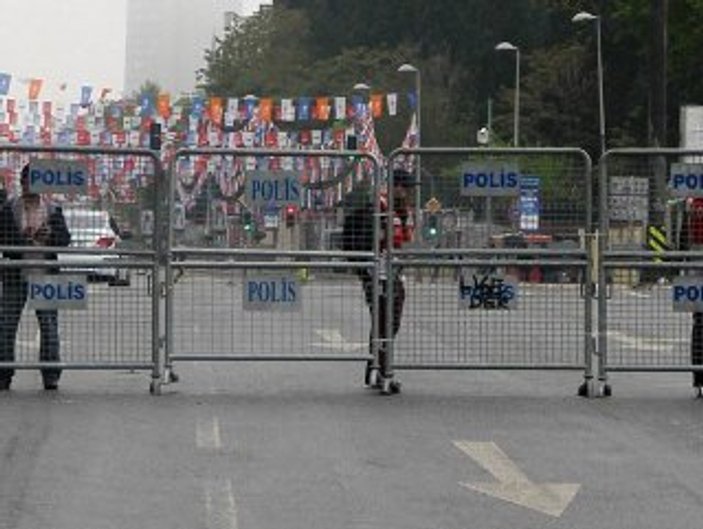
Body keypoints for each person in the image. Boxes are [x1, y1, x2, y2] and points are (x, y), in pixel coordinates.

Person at [342, 168, 415, 394]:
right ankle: (382, 370)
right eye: (406, 188)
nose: (409, 193)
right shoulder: (378, 207)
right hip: (378, 274)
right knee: (386, 321)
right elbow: (365, 239)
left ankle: (377, 368)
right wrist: (367, 269)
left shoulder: (399, 210)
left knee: (386, 322)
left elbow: (401, 240)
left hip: (391, 273)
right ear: (398, 187)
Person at [0, 164, 71, 390]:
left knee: (49, 326)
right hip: (15, 275)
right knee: (6, 325)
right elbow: (4, 243)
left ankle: (51, 375)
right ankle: (3, 373)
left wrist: (49, 235)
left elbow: (64, 239)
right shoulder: (9, 209)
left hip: (45, 275)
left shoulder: (52, 210)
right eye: (29, 181)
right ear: (22, 183)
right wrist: (24, 240)